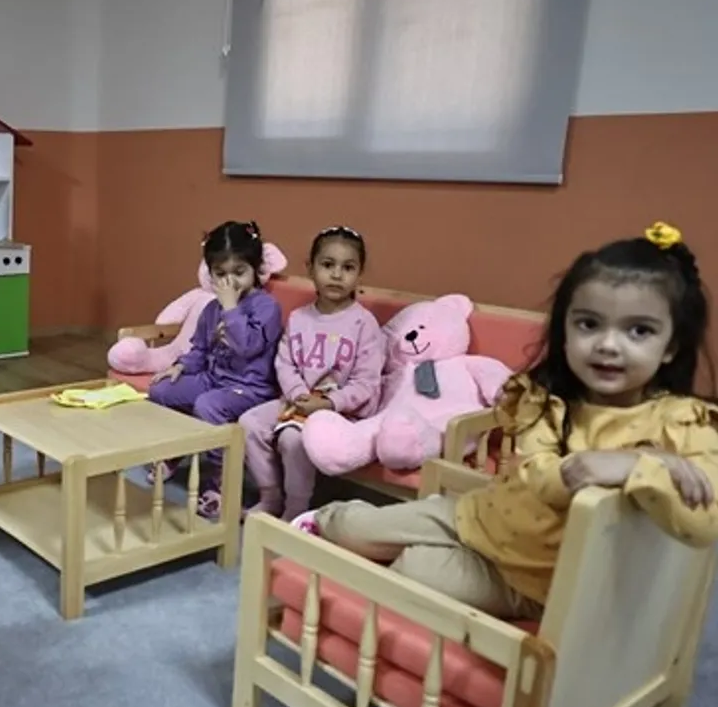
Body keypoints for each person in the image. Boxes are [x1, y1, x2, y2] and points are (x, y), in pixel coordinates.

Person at [289, 224, 718, 619]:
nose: (608, 345)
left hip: (527, 578)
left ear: (671, 346)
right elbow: (540, 478)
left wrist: (639, 468)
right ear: (565, 332)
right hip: (476, 515)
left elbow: (704, 522)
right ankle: (323, 522)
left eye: (639, 331)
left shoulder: (685, 422)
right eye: (589, 324)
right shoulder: (547, 402)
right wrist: (597, 467)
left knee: (413, 568)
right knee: (352, 526)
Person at [238, 226, 384, 519]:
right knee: (249, 423)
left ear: (360, 274)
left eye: (348, 268)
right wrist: (298, 394)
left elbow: (366, 383)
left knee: (292, 439)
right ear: (311, 268)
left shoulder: (363, 324)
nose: (337, 275)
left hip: (340, 411)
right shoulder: (299, 318)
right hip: (299, 400)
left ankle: (295, 510)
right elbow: (285, 363)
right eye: (328, 265)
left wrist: (328, 403)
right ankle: (270, 496)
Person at [148, 220, 283, 518]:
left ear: (256, 269)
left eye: (239, 272)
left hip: (250, 388)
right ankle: (175, 452)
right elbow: (200, 348)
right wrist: (181, 366)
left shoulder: (266, 307)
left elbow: (247, 346)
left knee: (208, 406)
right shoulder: (211, 309)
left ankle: (220, 481)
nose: (229, 282)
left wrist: (231, 308)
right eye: (221, 274)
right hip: (214, 378)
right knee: (161, 390)